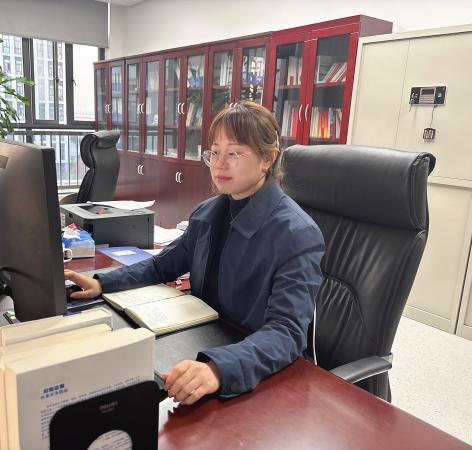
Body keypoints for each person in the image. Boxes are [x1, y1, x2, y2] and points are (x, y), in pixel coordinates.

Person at [65, 100, 325, 405]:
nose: (219, 164)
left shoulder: (296, 234)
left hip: (255, 371)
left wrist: (219, 369)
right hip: (202, 338)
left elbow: (287, 332)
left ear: (268, 158)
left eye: (234, 153)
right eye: (214, 152)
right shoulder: (209, 213)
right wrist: (103, 282)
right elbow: (162, 266)